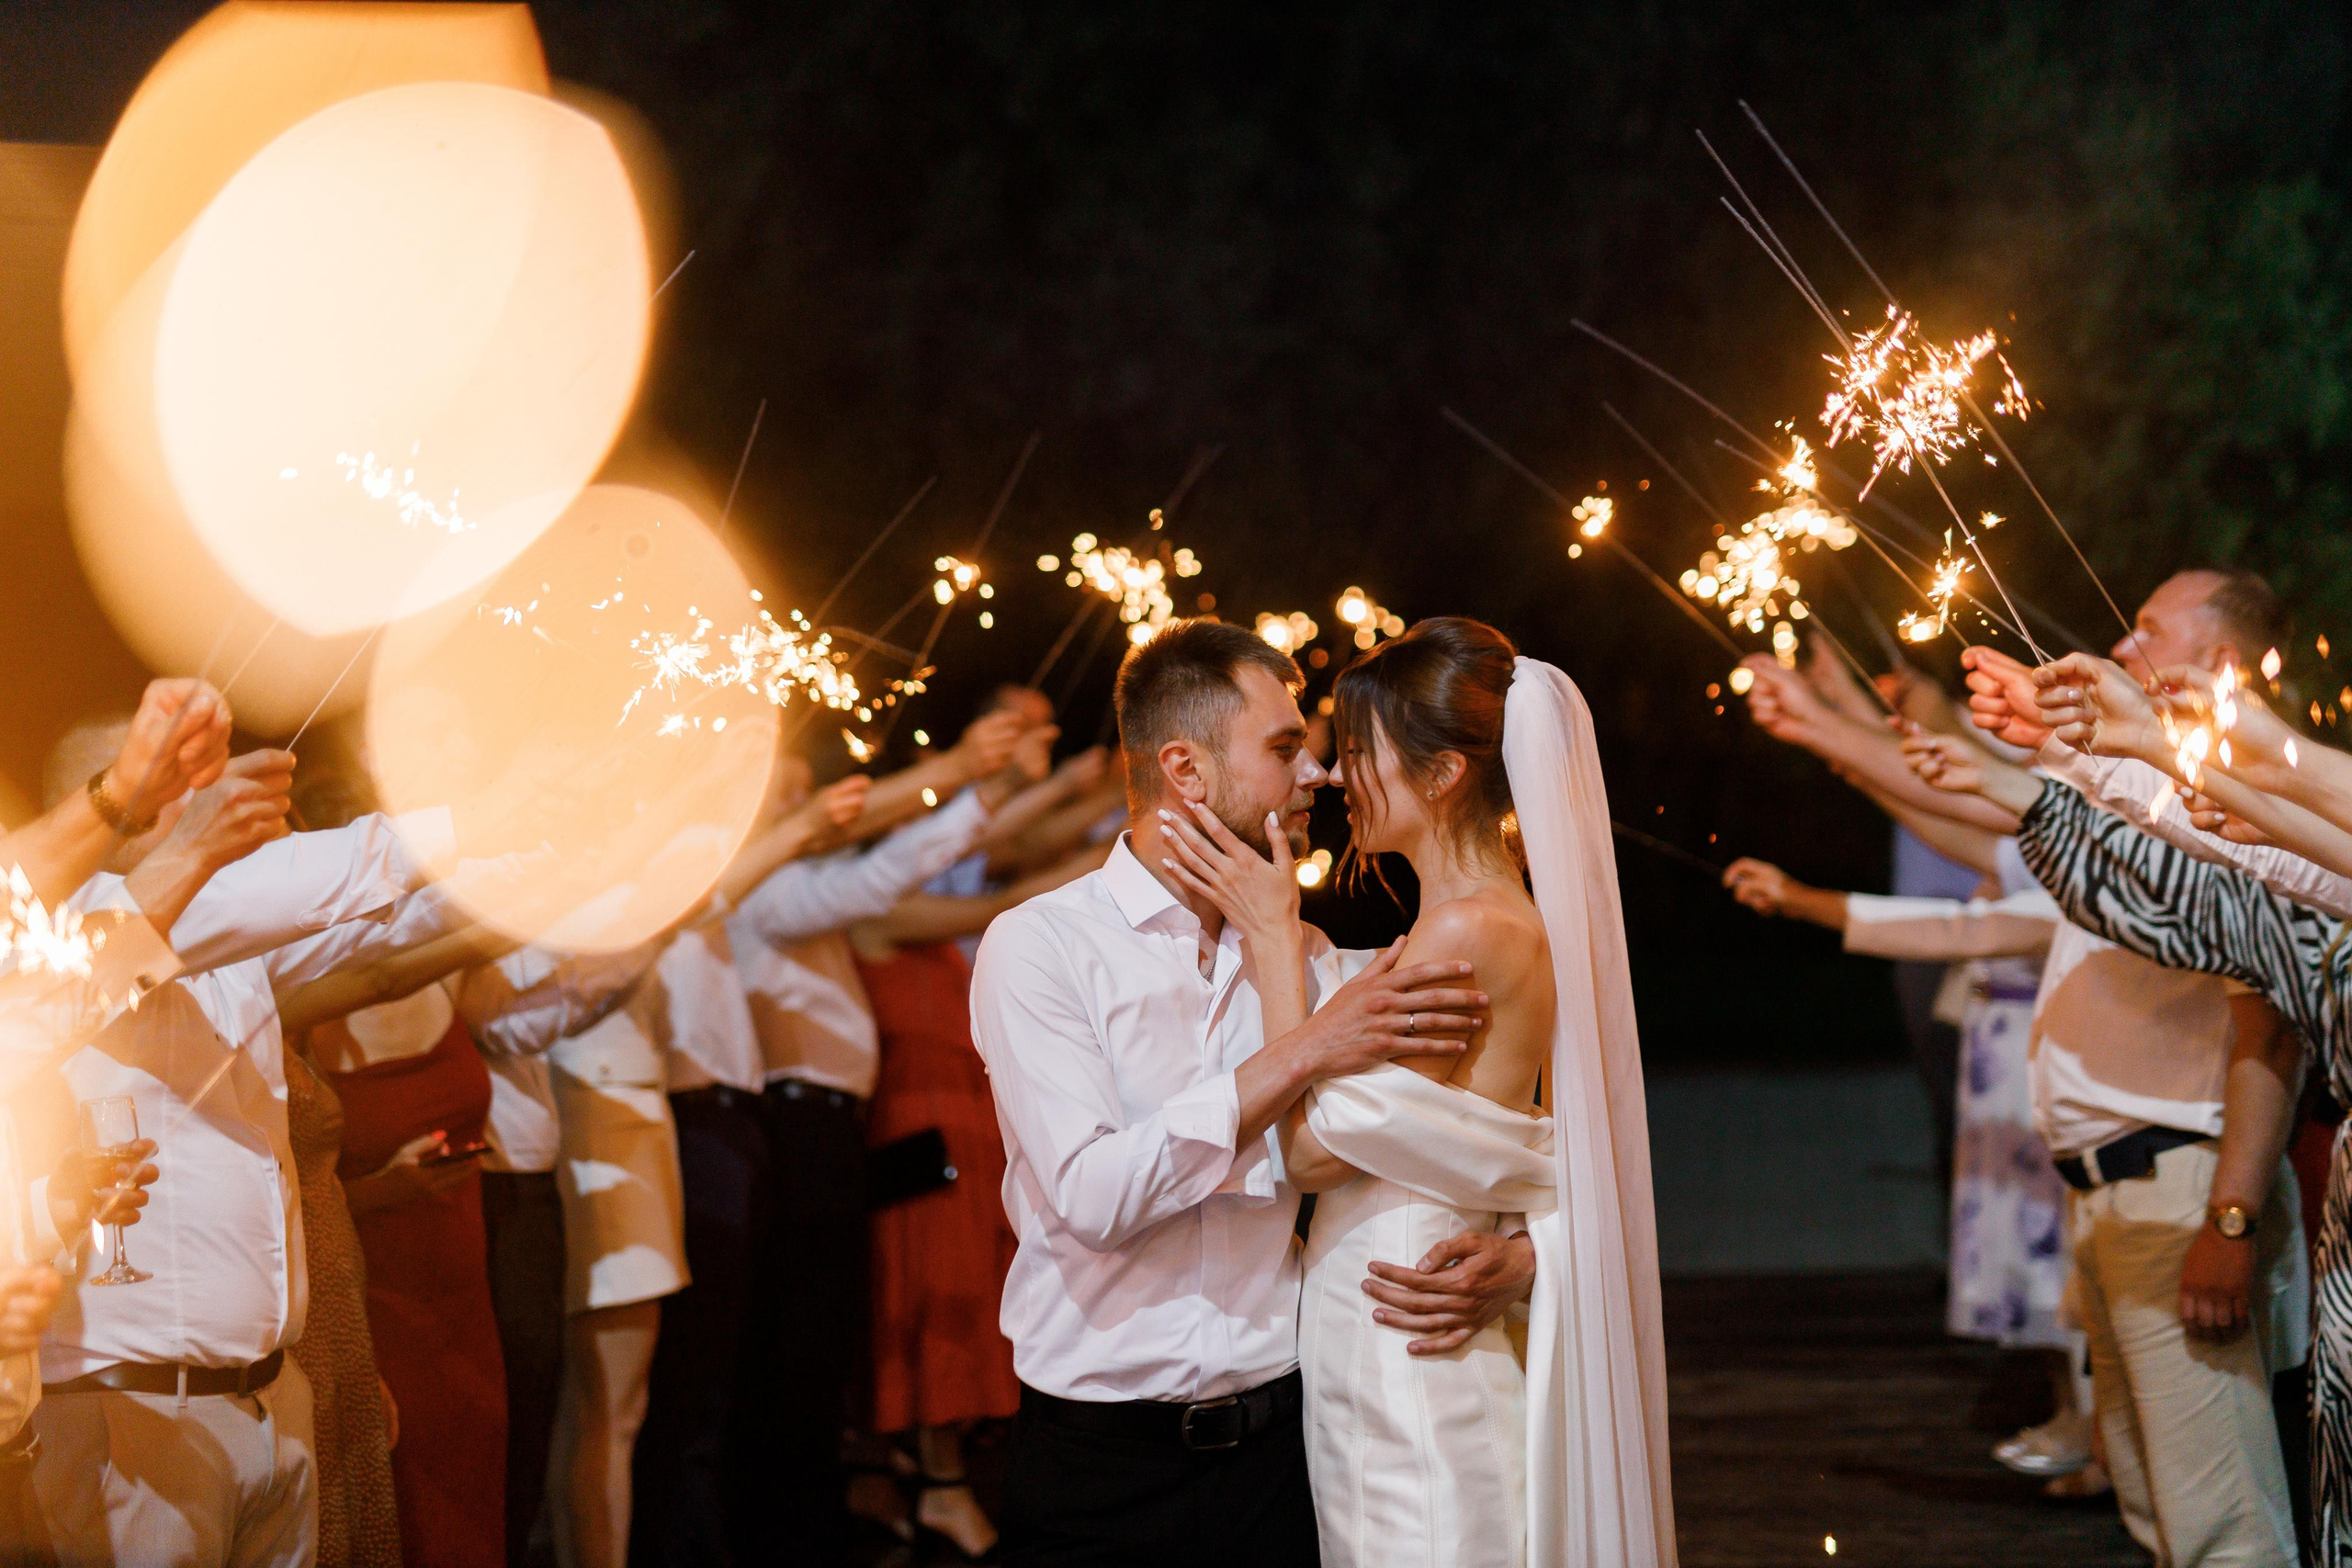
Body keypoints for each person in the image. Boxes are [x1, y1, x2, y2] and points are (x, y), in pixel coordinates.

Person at [969, 617, 1541, 1567]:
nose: (1317, 774)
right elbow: (1094, 1198)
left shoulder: (1313, 961)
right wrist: (1303, 1050)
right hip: (1098, 1469)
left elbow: (1497, 1113)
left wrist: (1527, 1256)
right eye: (1285, 749)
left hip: (1284, 1458)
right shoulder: (1040, 947)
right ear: (1185, 772)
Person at [1151, 617, 1673, 1567]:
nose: (1336, 775)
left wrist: (1274, 942)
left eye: (1357, 751)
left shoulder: (1468, 931)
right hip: (1404, 1305)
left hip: (1402, 1318)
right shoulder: (1471, 920)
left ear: (1441, 776)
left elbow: (1308, 1154)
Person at [26, 729, 476, 1567]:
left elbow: (393, 921)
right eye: (179, 782)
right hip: (132, 1416)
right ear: (126, 811)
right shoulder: (63, 934)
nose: (205, 796)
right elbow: (296, 885)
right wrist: (470, 821)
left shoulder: (233, 950)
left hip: (268, 1397)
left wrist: (558, 843)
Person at [848, 841, 1113, 1559]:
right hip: (917, 1127)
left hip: (963, 1119)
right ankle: (939, 1482)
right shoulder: (884, 912)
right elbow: (999, 897)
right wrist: (1110, 842)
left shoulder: (926, 931)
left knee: (967, 1292)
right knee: (929, 1299)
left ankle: (923, 1471)